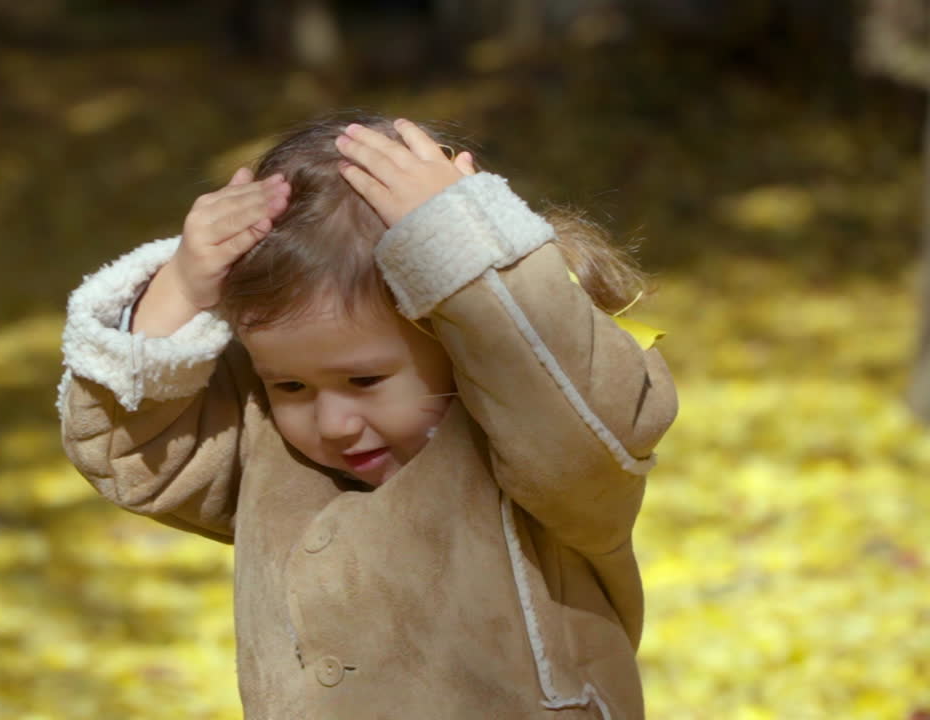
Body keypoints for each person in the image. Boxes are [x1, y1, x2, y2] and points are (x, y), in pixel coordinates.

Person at [57, 112, 677, 719]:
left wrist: (468, 246)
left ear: (456, 335)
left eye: (365, 380)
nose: (334, 423)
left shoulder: (546, 440)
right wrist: (178, 291)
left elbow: (581, 404)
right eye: (290, 384)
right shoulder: (265, 442)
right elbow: (135, 456)